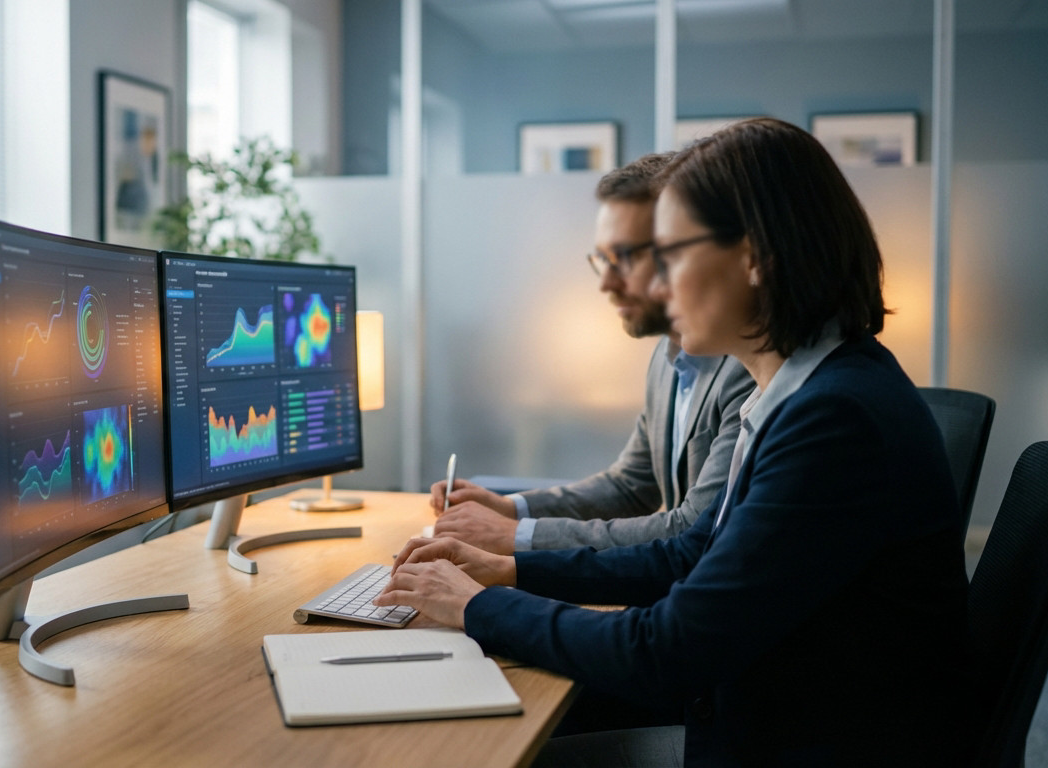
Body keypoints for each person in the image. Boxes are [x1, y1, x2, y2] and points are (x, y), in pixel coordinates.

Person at [378, 118, 970, 766]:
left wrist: (481, 607)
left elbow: (670, 651)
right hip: (777, 695)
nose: (656, 286)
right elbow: (693, 550)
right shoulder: (814, 387)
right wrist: (512, 570)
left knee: (479, 741)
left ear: (753, 257)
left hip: (802, 736)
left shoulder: (834, 421)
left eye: (673, 255)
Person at [431, 156, 752, 555]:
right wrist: (510, 509)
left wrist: (513, 539)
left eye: (624, 257)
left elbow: (692, 529)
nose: (605, 283)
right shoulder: (668, 357)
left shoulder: (750, 367)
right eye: (602, 259)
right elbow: (630, 485)